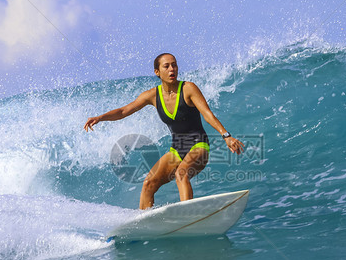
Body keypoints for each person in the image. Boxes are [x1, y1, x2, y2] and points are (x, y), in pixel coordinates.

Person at [84, 53, 244, 209]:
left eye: (174, 65)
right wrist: (100, 117)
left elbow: (207, 114)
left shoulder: (188, 88)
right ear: (157, 72)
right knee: (148, 183)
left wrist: (226, 135)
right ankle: (143, 222)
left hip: (199, 146)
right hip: (177, 149)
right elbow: (124, 111)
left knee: (181, 174)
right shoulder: (152, 95)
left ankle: (188, 215)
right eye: (166, 66)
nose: (172, 69)